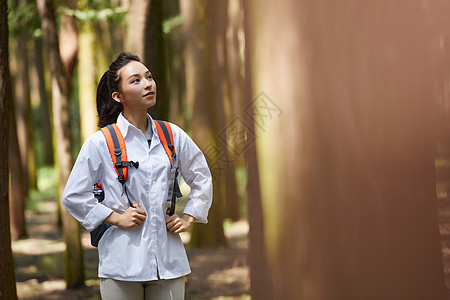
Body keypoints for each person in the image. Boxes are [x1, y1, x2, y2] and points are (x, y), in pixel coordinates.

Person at [62, 52, 213, 300]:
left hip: (169, 262)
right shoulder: (101, 142)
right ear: (118, 96)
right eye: (136, 80)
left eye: (149, 77)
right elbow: (73, 195)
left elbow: (201, 176)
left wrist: (189, 217)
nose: (148, 84)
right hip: (121, 264)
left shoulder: (171, 134)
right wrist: (114, 218)